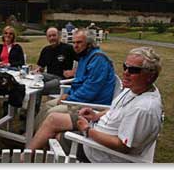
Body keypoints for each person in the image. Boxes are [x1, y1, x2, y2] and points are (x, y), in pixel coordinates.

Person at [27, 47, 163, 163]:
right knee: (53, 118)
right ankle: (25, 157)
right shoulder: (135, 88)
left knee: (56, 136)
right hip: (96, 126)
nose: (126, 72)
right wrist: (97, 115)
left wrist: (87, 131)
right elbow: (115, 108)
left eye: (133, 70)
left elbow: (122, 146)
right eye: (125, 67)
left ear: (150, 76)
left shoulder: (144, 108)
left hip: (101, 152)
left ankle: (31, 158)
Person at [34, 28, 115, 129]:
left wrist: (69, 97)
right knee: (46, 106)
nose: (75, 46)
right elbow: (79, 81)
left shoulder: (98, 59)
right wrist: (68, 93)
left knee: (51, 113)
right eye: (74, 42)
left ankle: (37, 140)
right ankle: (33, 135)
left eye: (79, 42)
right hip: (79, 99)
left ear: (89, 43)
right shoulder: (84, 57)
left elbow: (90, 90)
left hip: (91, 105)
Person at [33, 27, 76, 113]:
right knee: (34, 79)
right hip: (49, 76)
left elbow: (83, 62)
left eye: (54, 35)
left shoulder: (68, 48)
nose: (52, 38)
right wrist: (37, 70)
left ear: (59, 36)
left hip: (62, 79)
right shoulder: (46, 50)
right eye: (49, 36)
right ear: (47, 38)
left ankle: (33, 111)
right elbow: (41, 66)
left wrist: (73, 72)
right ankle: (32, 109)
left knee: (38, 88)